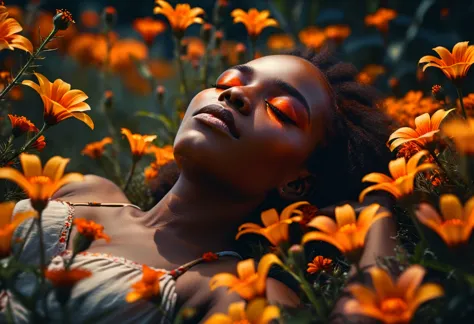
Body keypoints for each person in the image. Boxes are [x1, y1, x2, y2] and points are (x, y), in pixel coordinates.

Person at [7, 48, 397, 323]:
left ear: (297, 181)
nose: (235, 94)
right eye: (227, 80)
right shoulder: (84, 190)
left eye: (281, 110)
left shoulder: (234, 292)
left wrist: (378, 215)